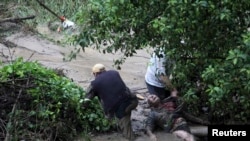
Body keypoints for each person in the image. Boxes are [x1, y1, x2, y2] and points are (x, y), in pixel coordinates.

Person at [85, 63, 138, 141]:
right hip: (133, 101)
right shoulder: (114, 73)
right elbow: (123, 88)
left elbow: (86, 100)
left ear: (95, 74)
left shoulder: (94, 84)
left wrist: (82, 106)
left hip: (123, 108)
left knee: (128, 134)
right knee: (124, 114)